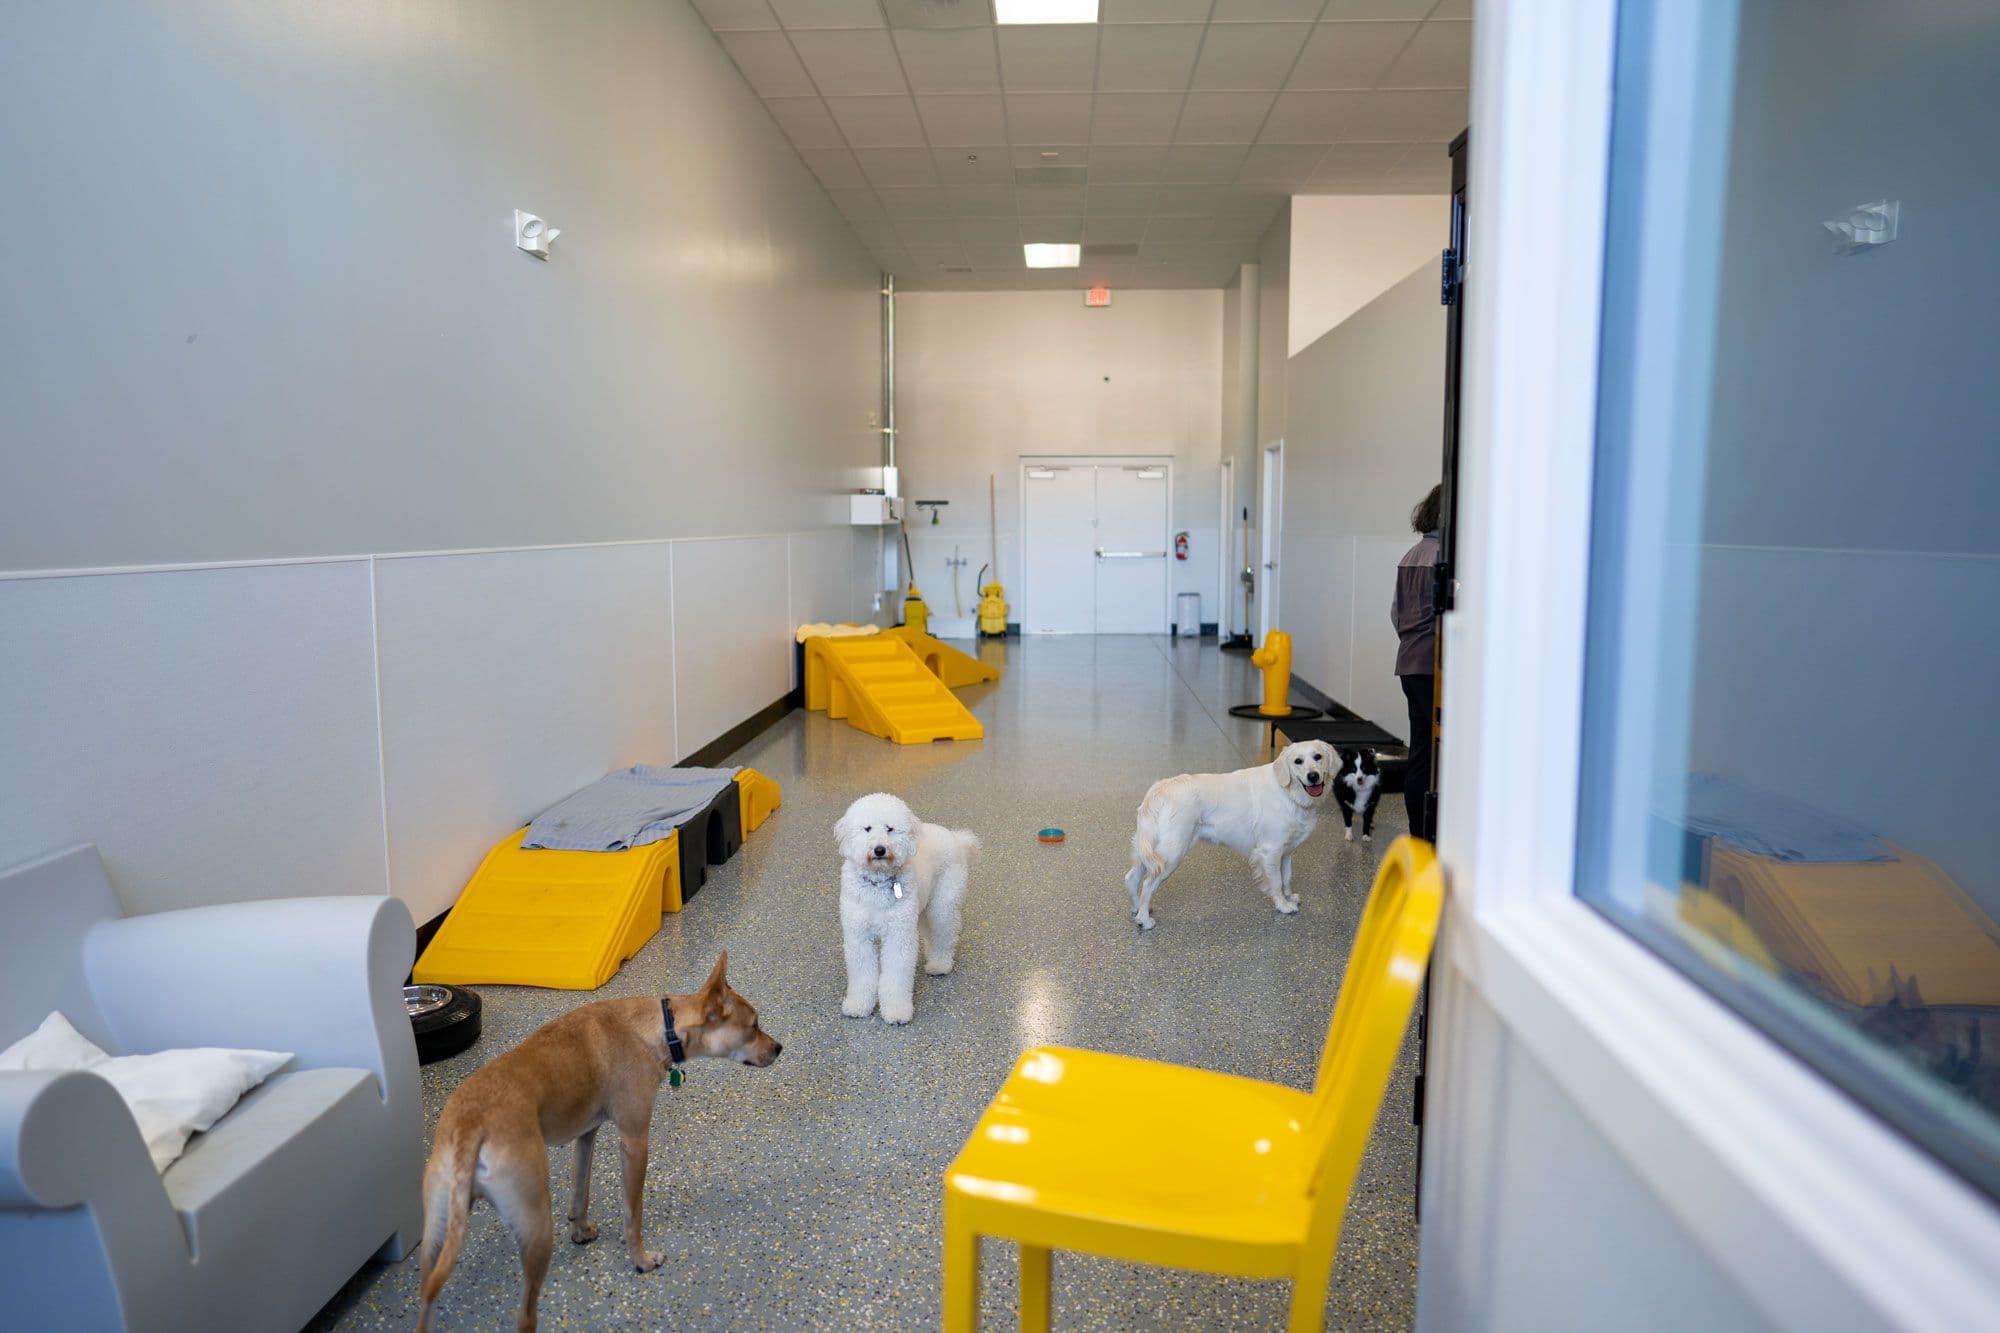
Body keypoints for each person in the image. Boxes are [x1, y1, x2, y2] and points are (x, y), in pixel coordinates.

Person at [1393, 484, 1442, 842]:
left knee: (1420, 751)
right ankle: (1431, 834)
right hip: (1432, 666)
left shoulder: (1410, 555)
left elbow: (1396, 614)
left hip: (1409, 663)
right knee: (1437, 752)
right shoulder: (1444, 559)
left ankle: (1417, 833)